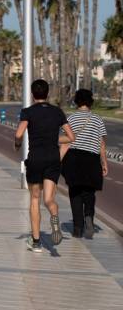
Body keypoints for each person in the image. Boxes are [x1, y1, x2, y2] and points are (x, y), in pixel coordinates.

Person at [14, 79, 75, 252]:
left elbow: (19, 133)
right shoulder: (57, 112)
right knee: (49, 199)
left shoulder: (28, 112)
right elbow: (71, 137)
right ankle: (54, 216)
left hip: (36, 159)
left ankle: (36, 242)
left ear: (33, 95)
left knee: (35, 199)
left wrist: (17, 144)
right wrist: (52, 139)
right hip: (53, 159)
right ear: (47, 94)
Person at [61, 89, 108, 239]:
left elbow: (66, 143)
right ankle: (89, 217)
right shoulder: (97, 119)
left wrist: (57, 161)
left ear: (76, 101)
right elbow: (101, 143)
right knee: (89, 192)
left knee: (75, 192)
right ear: (90, 102)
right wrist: (104, 162)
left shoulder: (72, 119)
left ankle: (77, 227)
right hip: (92, 159)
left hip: (74, 158)